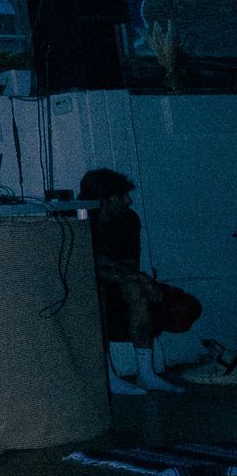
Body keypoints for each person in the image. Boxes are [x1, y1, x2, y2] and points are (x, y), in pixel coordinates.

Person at [81, 166, 195, 396]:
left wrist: (135, 278)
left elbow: (128, 264)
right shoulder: (77, 218)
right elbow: (83, 265)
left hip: (119, 282)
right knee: (97, 291)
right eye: (121, 196)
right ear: (103, 199)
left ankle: (146, 373)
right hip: (86, 289)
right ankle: (107, 376)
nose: (129, 201)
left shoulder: (127, 220)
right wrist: (133, 276)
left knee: (137, 290)